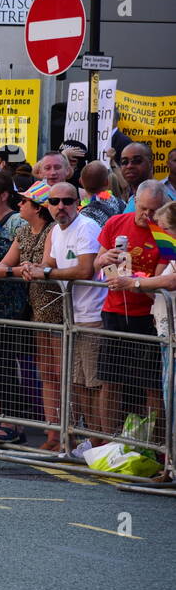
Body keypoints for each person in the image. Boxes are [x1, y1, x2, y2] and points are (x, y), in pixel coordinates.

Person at [18, 181, 104, 456]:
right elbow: (49, 265)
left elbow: (84, 269)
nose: (61, 207)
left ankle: (100, 441)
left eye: (67, 201)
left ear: (77, 203)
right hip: (69, 316)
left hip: (91, 315)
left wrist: (44, 273)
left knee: (93, 383)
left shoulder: (86, 227)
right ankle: (89, 440)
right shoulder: (55, 230)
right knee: (77, 383)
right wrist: (32, 268)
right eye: (55, 202)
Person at [0, 179, 59, 448]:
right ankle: (16, 423)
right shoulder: (24, 231)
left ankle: (54, 432)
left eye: (24, 201)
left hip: (46, 309)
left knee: (54, 372)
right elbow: (5, 265)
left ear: (37, 208)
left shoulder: (52, 230)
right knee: (0, 364)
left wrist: (9, 271)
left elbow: (39, 267)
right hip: (21, 306)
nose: (19, 204)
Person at [94, 179, 166, 434]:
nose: (148, 215)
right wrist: (105, 259)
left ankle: (154, 443)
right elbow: (96, 265)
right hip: (114, 310)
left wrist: (134, 281)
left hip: (148, 317)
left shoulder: (166, 233)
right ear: (135, 201)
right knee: (110, 379)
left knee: (152, 385)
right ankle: (107, 438)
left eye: (154, 210)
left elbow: (161, 283)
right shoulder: (115, 223)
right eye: (144, 208)